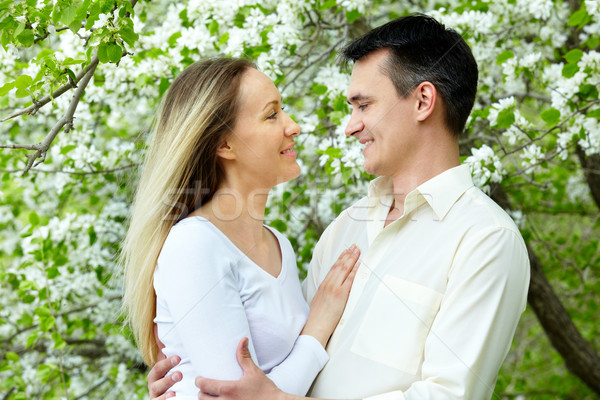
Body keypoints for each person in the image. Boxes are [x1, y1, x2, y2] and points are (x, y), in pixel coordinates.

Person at [148, 14, 530, 400]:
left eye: (364, 106)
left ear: (423, 101)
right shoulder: (346, 228)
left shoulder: (485, 239)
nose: (349, 126)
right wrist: (188, 381)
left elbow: (449, 396)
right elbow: (277, 360)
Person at [121, 57, 362, 400]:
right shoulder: (195, 244)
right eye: (271, 114)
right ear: (224, 145)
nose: (292, 126)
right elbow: (238, 395)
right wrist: (318, 327)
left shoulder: (279, 244)